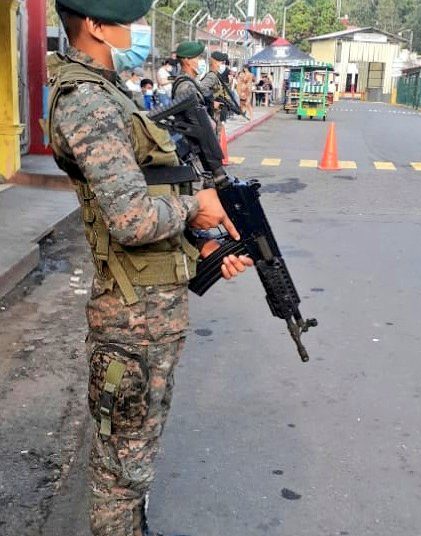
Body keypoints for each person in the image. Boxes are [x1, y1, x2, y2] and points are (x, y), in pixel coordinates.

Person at [48, 3, 253, 535]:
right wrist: (196, 208)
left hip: (150, 312)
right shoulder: (87, 101)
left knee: (136, 454)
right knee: (121, 467)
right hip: (131, 319)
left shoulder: (107, 90)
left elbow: (146, 193)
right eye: (128, 20)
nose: (138, 30)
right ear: (95, 25)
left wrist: (199, 247)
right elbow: (132, 219)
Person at [171, 41, 230, 180]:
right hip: (196, 151)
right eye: (196, 58)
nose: (199, 61)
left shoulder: (190, 81)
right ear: (186, 60)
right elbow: (197, 122)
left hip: (199, 148)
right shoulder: (186, 86)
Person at [197, 51, 230, 137]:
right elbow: (201, 88)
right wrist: (212, 101)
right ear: (214, 62)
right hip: (214, 113)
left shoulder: (216, 75)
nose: (222, 64)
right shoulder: (212, 76)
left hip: (218, 113)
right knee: (215, 138)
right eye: (221, 62)